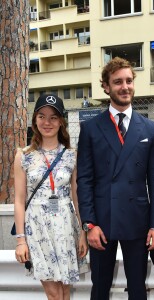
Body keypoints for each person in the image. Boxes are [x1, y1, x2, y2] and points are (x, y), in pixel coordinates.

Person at [76, 57, 154, 300]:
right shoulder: (91, 128)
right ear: (106, 87)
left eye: (128, 81)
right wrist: (89, 224)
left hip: (138, 221)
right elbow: (84, 180)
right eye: (117, 82)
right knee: (100, 286)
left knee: (137, 287)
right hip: (101, 222)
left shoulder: (149, 128)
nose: (124, 87)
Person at [14, 94, 89, 299]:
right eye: (42, 116)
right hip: (37, 227)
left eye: (53, 117)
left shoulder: (72, 155)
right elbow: (19, 201)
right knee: (54, 292)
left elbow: (77, 197)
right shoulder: (23, 155)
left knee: (64, 289)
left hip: (66, 226)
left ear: (61, 121)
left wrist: (83, 231)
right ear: (35, 120)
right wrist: (21, 240)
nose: (47, 122)